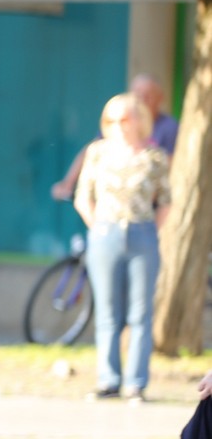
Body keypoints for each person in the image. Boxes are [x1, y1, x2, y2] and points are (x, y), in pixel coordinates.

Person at [73, 93, 170, 403]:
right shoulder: (97, 153)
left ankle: (136, 384)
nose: (118, 126)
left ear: (139, 120)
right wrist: (99, 228)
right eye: (111, 120)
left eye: (125, 118)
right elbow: (82, 197)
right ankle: (108, 379)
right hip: (105, 232)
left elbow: (166, 201)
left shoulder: (154, 157)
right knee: (107, 310)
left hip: (141, 232)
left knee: (141, 312)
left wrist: (150, 231)